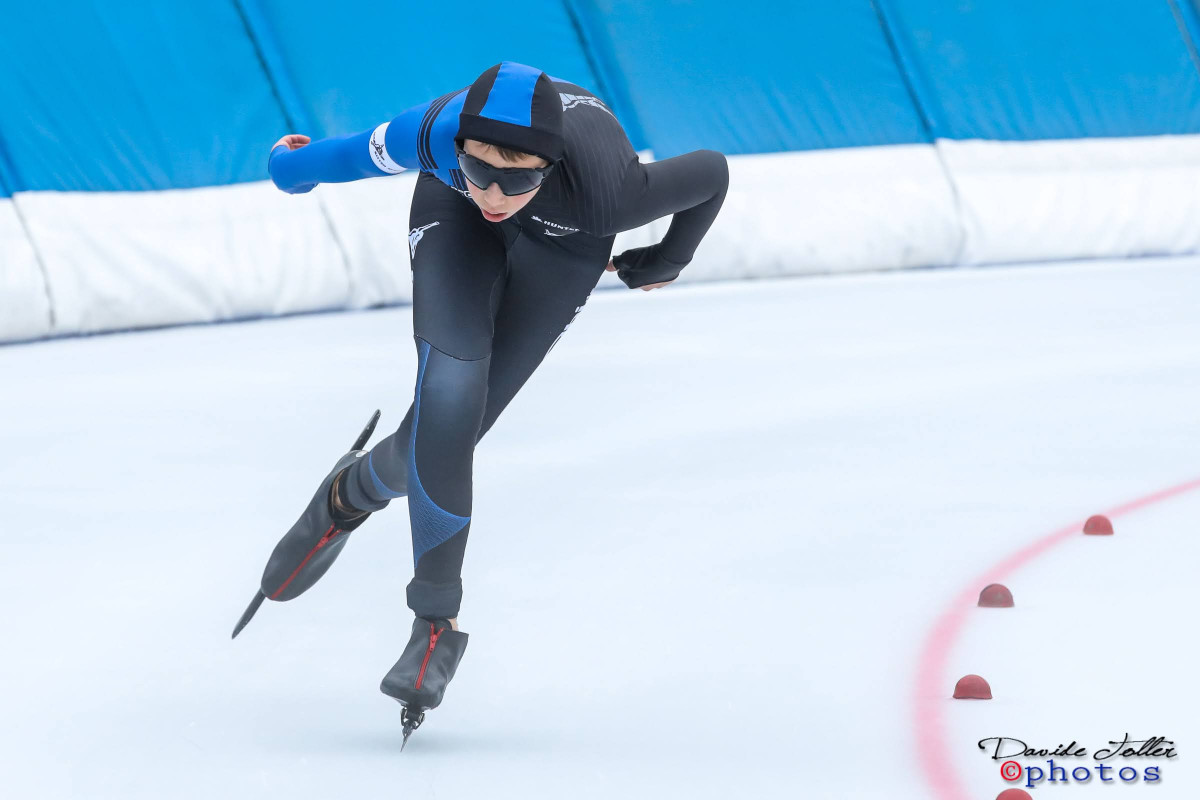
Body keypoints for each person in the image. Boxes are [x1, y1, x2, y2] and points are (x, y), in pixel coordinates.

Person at [248, 62, 728, 732]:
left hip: (570, 241)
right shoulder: (432, 136)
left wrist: (667, 259)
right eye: (480, 169)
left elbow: (711, 173)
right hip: (453, 222)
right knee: (450, 398)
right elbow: (349, 155)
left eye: (518, 177)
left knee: (433, 443)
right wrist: (287, 169)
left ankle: (348, 493)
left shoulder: (610, 193)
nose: (496, 193)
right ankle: (435, 626)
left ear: (548, 167)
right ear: (459, 149)